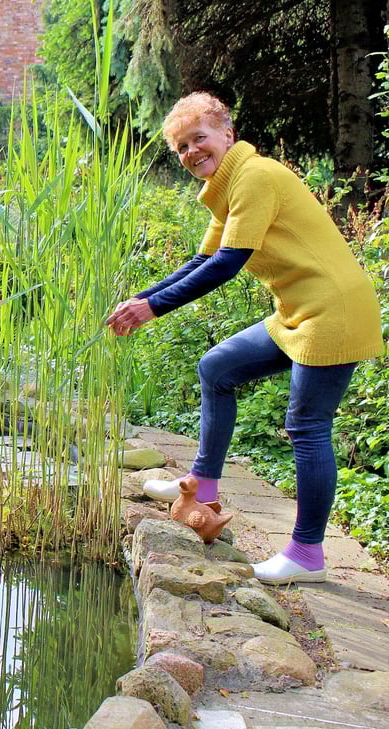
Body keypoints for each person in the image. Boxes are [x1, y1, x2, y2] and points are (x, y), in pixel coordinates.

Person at [107, 92, 384, 585]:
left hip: (334, 310)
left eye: (199, 138)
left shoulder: (255, 177)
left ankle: (307, 553)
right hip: (296, 311)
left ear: (227, 135)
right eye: (180, 147)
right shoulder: (228, 185)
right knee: (218, 367)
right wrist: (140, 300)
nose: (191, 152)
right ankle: (203, 486)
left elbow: (228, 263)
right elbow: (201, 260)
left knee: (307, 425)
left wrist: (152, 308)